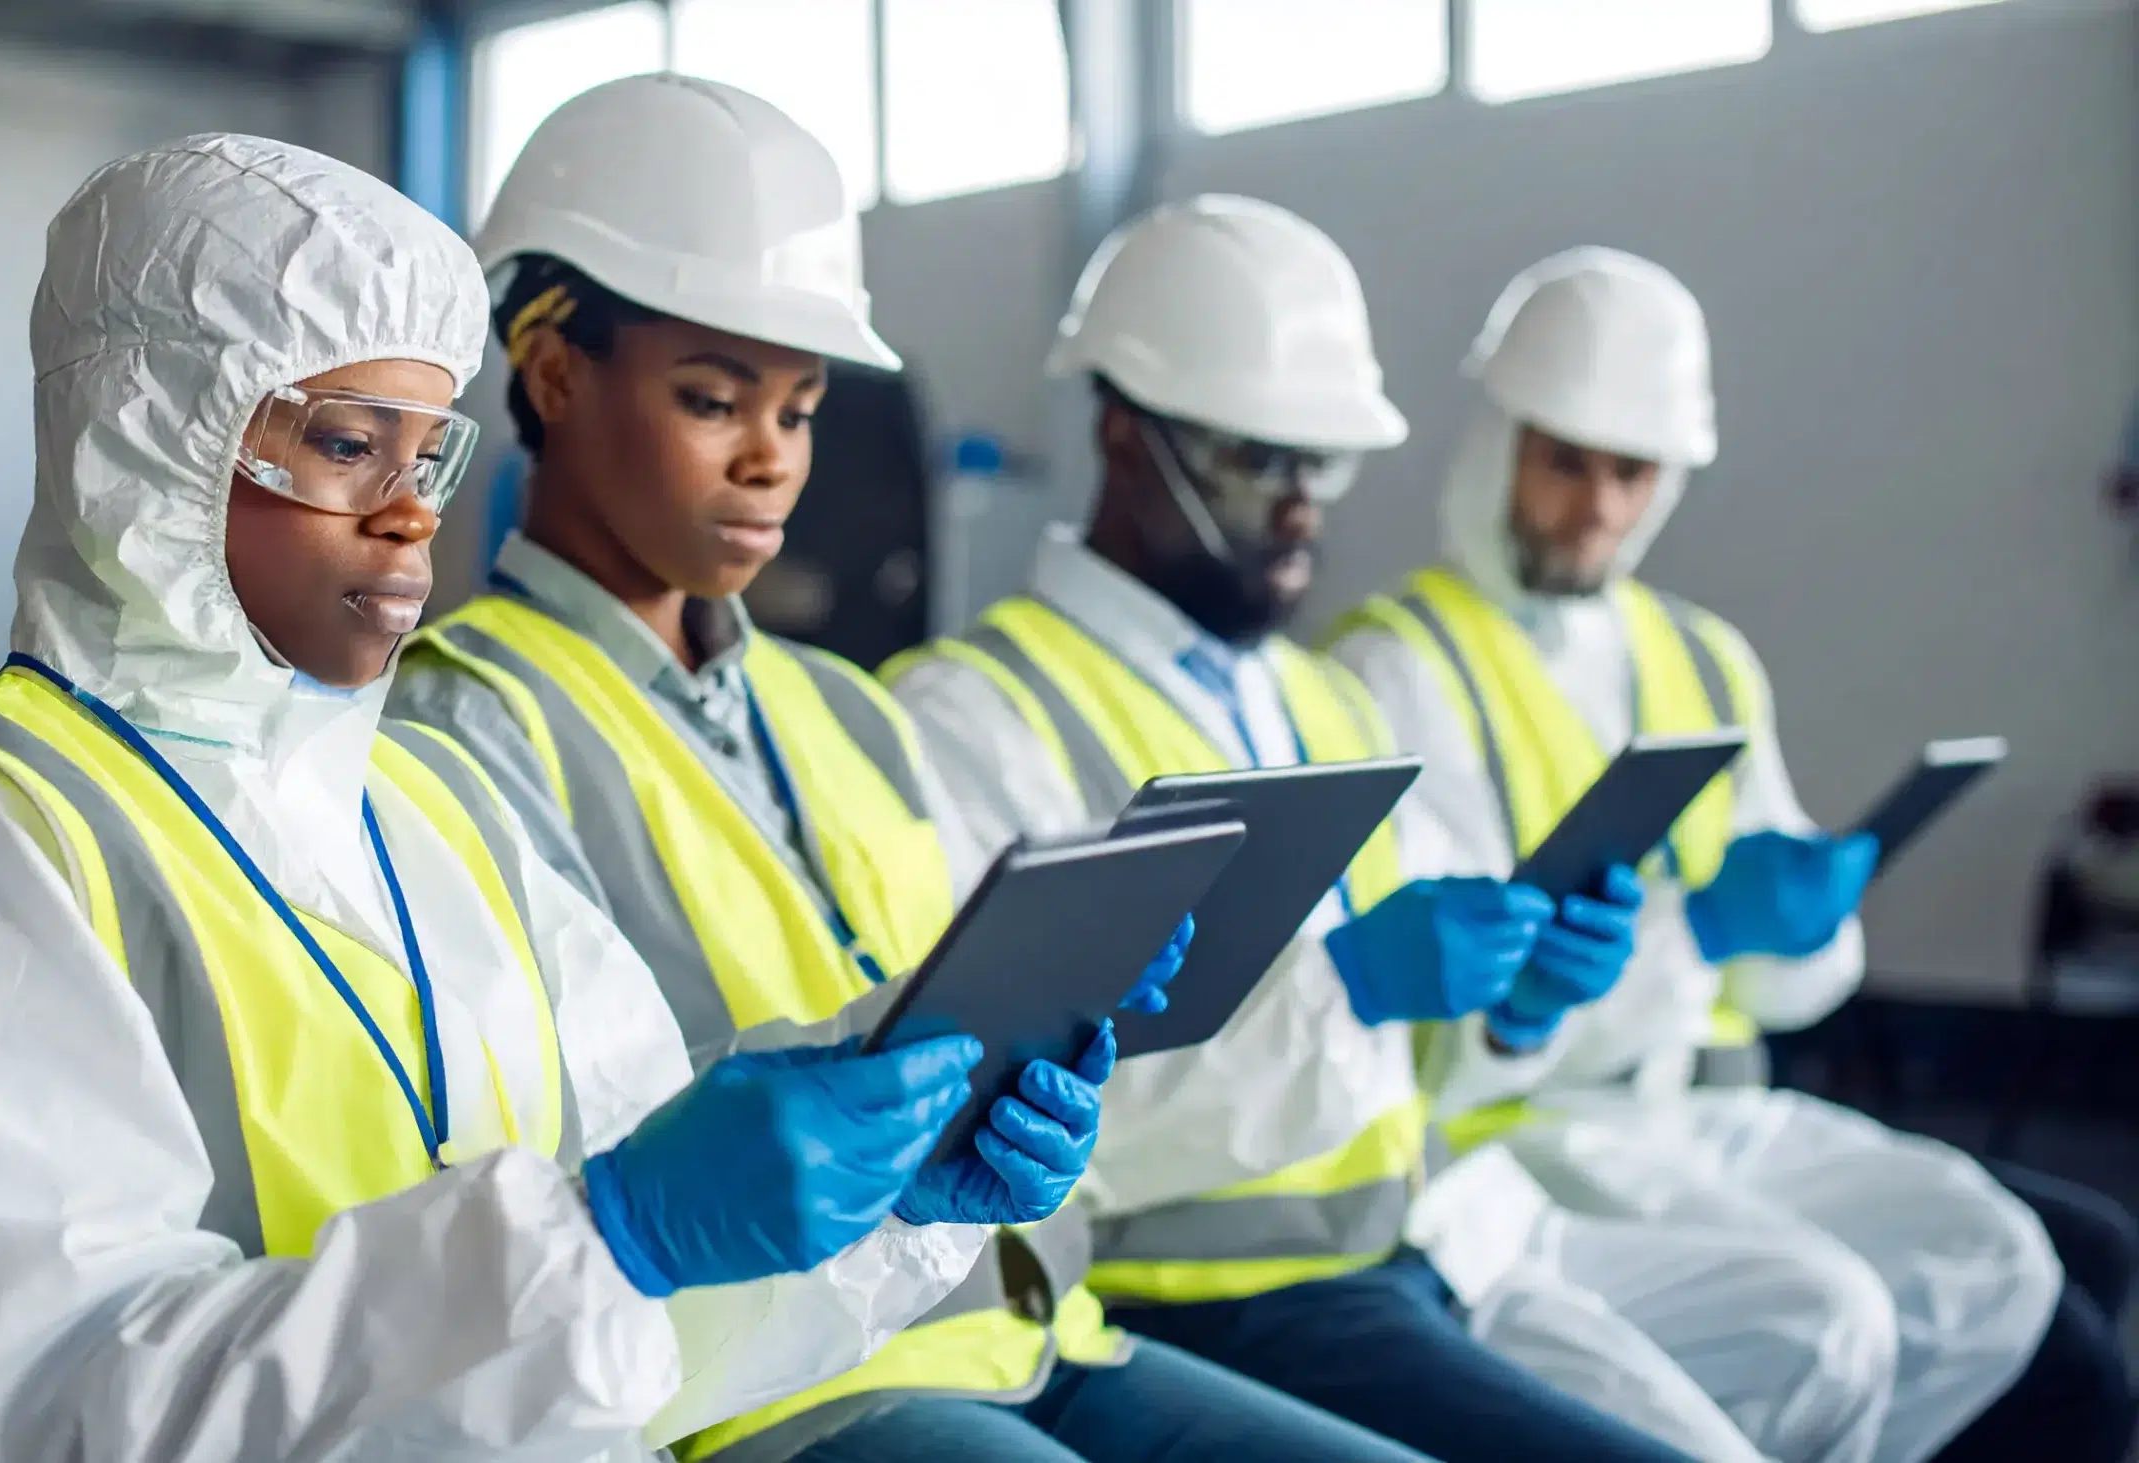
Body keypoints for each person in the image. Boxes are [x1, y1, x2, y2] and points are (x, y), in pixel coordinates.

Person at [0, 134, 1017, 1463]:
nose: (409, 519)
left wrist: (887, 1205)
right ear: (150, 441)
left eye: (429, 456)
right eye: (344, 444)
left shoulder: (436, 807)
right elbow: (90, 1405)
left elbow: (642, 1339)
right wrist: (613, 1230)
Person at [389, 77, 1430, 1463]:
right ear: (556, 372)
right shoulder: (462, 732)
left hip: (1027, 1325)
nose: (771, 460)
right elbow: (553, 1136)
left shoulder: (850, 713)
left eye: (804, 410)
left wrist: (1048, 1082)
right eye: (713, 400)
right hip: (769, 1392)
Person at [888, 195, 1911, 1463]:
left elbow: (1433, 1064)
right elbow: (1027, 1117)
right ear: (1117, 427)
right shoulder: (972, 718)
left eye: (1322, 462)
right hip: (1199, 1291)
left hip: (1418, 1233)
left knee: (1818, 1338)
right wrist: (1354, 985)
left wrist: (1517, 1003)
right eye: (1257, 459)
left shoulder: (1317, 698)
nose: (1304, 505)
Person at [1332, 245, 2108, 1463]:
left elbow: (1778, 986)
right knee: (1846, 1328)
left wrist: (1796, 930)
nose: (1594, 507)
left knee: (1999, 1257)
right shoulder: (1395, 670)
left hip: (1698, 1105)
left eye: (1629, 472)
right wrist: (1685, 933)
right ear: (1500, 443)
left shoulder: (1700, 658)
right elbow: (1448, 1045)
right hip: (1519, 1141)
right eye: (1564, 462)